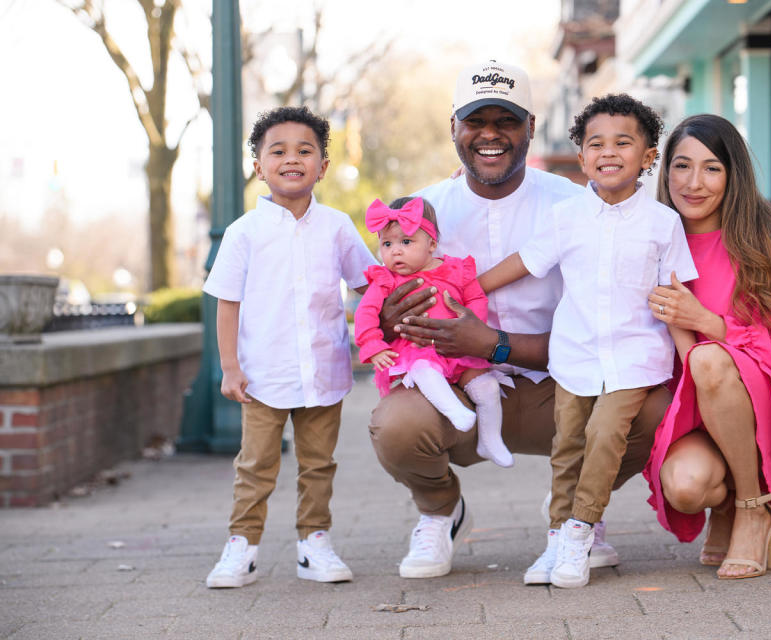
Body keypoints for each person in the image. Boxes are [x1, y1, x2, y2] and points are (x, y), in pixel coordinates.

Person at [368, 60, 673, 580]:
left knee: (653, 406)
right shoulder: (422, 213)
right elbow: (382, 303)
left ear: (530, 126)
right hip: (455, 388)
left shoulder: (574, 204)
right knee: (396, 426)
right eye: (475, 120)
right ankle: (440, 511)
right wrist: (392, 322)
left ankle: (578, 511)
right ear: (453, 129)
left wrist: (495, 344)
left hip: (561, 384)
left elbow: (612, 318)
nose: (490, 134)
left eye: (505, 120)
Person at [478, 94, 697, 588]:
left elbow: (675, 295)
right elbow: (525, 261)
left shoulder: (663, 223)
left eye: (623, 142)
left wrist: (693, 363)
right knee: (568, 446)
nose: (608, 151)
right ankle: (557, 535)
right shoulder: (567, 216)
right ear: (581, 158)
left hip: (635, 358)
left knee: (605, 435)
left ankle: (581, 529)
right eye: (595, 143)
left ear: (648, 156)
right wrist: (467, 288)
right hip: (574, 356)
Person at [202, 106, 377, 588]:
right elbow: (228, 304)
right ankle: (242, 546)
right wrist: (230, 367)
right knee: (256, 465)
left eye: (305, 150)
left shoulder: (338, 227)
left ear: (322, 165)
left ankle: (314, 543)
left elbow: (369, 283)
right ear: (259, 166)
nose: (292, 159)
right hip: (263, 374)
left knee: (319, 464)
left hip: (325, 371)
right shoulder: (243, 234)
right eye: (277, 151)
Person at [644, 113, 771, 580]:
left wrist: (705, 323)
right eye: (681, 166)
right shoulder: (652, 238)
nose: (694, 183)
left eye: (712, 168)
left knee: (706, 358)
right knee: (685, 489)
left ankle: (753, 506)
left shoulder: (764, 241)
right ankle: (721, 505)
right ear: (665, 172)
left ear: (733, 174)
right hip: (691, 408)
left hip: (759, 396)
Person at [355, 196, 513, 468]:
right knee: (424, 371)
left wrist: (473, 323)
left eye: (406, 242)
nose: (395, 251)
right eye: (387, 244)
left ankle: (490, 439)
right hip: (418, 352)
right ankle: (454, 411)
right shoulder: (386, 280)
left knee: (487, 387)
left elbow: (475, 297)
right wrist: (373, 344)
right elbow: (365, 312)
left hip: (459, 349)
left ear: (431, 244)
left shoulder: (456, 270)